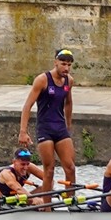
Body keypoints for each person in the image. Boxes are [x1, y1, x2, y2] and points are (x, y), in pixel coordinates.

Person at [18, 48, 76, 195]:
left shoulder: (69, 81)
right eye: (63, 64)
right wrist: (23, 132)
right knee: (49, 170)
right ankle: (47, 204)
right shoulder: (42, 80)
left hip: (60, 128)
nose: (66, 68)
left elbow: (68, 103)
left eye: (69, 65)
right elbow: (27, 106)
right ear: (55, 62)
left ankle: (71, 201)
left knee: (70, 167)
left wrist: (68, 125)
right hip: (45, 129)